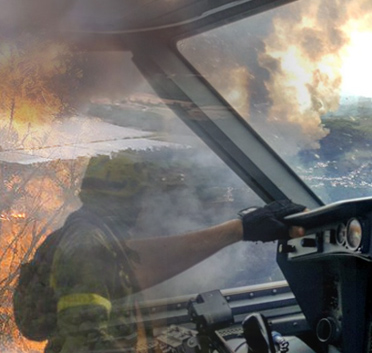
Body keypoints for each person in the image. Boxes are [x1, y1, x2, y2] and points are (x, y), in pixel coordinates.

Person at [44, 151, 306, 353]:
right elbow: (86, 342)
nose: (144, 209)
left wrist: (241, 229)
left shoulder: (95, 235)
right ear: (123, 201)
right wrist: (240, 230)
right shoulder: (86, 247)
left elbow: (143, 262)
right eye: (140, 199)